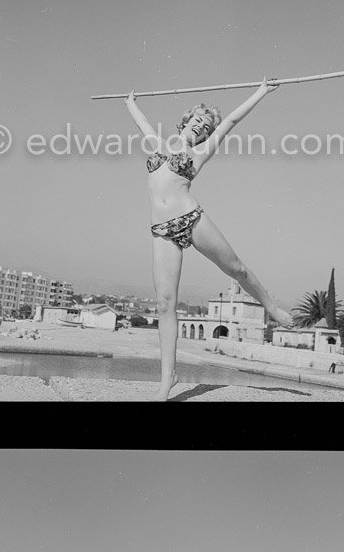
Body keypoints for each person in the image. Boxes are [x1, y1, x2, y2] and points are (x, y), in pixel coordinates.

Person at [124, 81, 293, 400]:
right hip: (160, 230)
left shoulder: (199, 152)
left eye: (204, 127)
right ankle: (168, 378)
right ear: (184, 121)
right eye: (196, 121)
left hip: (191, 218)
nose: (200, 127)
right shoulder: (157, 143)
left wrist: (260, 91)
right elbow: (141, 121)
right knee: (164, 303)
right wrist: (129, 102)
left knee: (237, 270)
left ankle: (269, 304)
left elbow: (230, 121)